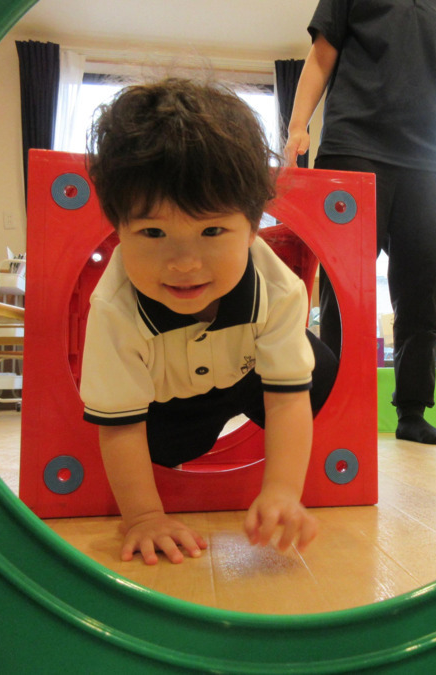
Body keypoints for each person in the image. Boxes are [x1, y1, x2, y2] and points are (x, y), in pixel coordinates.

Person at [81, 78, 338, 565]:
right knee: (156, 447)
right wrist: (142, 517)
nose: (183, 262)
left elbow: (286, 401)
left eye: (212, 230)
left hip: (245, 379)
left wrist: (282, 490)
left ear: (252, 225)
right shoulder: (114, 308)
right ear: (117, 229)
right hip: (166, 409)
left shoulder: (277, 288)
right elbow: (119, 428)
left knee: (315, 367)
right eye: (153, 232)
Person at [285, 2, 436, 445]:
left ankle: (412, 411)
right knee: (345, 288)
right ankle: (339, 405)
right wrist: (297, 125)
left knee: (424, 291)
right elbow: (321, 56)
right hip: (353, 146)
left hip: (430, 162)